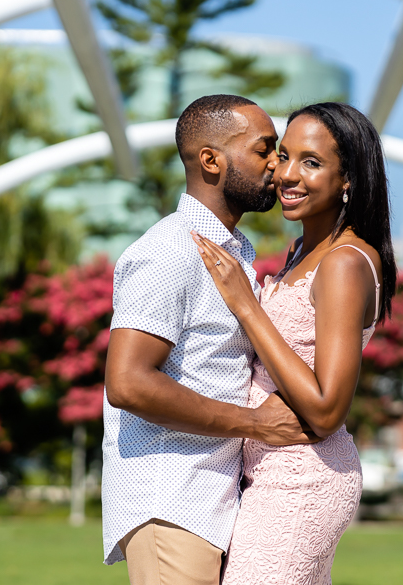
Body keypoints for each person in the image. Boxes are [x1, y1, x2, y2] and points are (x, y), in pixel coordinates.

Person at [102, 94, 319, 585]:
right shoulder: (169, 252)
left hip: (212, 503)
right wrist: (256, 424)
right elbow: (128, 383)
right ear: (211, 160)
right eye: (265, 150)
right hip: (171, 503)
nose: (278, 168)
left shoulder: (231, 253)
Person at [192, 101, 397, 583]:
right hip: (268, 474)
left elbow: (327, 410)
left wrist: (247, 306)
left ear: (348, 179)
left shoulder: (344, 263)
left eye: (311, 162)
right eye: (284, 156)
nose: (287, 174)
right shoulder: (304, 251)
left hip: (302, 479)